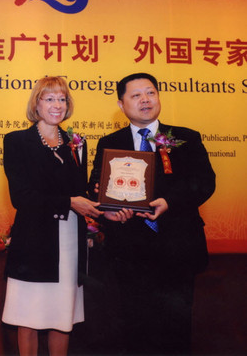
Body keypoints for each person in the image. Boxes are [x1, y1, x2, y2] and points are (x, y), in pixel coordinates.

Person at [88, 73, 216, 355]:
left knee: (176, 327)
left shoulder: (185, 138)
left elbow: (205, 183)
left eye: (150, 93)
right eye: (136, 95)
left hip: (177, 248)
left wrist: (169, 201)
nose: (145, 100)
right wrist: (106, 207)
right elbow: (95, 188)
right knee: (134, 327)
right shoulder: (109, 142)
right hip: (129, 251)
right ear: (121, 105)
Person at [2, 76, 107, 356]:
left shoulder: (77, 142)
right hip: (35, 240)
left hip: (70, 240)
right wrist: (71, 201)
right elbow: (21, 198)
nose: (57, 105)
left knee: (63, 317)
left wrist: (102, 194)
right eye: (49, 98)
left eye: (62, 99)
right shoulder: (17, 141)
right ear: (36, 104)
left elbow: (81, 192)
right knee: (29, 317)